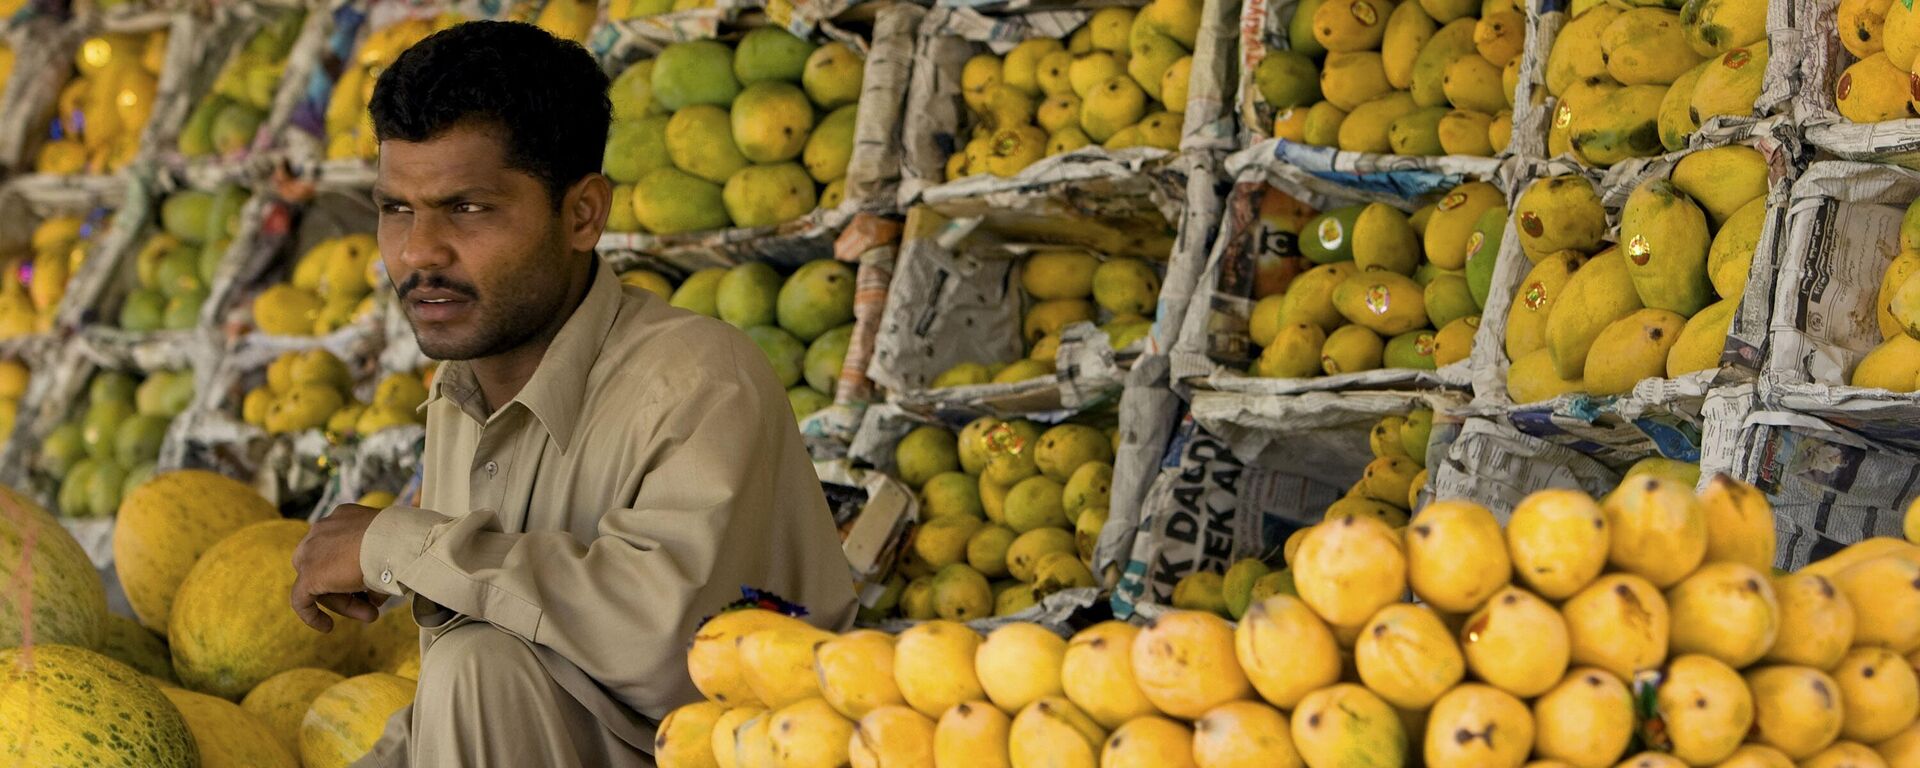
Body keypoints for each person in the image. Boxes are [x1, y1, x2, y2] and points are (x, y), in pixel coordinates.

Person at [287, 20, 856, 766]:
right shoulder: (459, 392)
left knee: (476, 667)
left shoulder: (700, 383)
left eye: (468, 208)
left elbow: (670, 654)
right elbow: (478, 701)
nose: (419, 251)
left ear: (583, 214)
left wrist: (396, 543)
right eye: (397, 209)